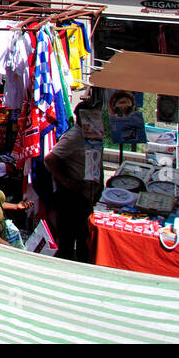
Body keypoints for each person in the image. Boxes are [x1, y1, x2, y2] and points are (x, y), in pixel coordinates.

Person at [44, 102, 104, 263]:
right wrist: (67, 181)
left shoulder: (94, 134)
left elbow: (98, 160)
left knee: (84, 235)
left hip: (87, 193)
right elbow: (50, 159)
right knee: (69, 237)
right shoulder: (74, 136)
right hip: (73, 195)